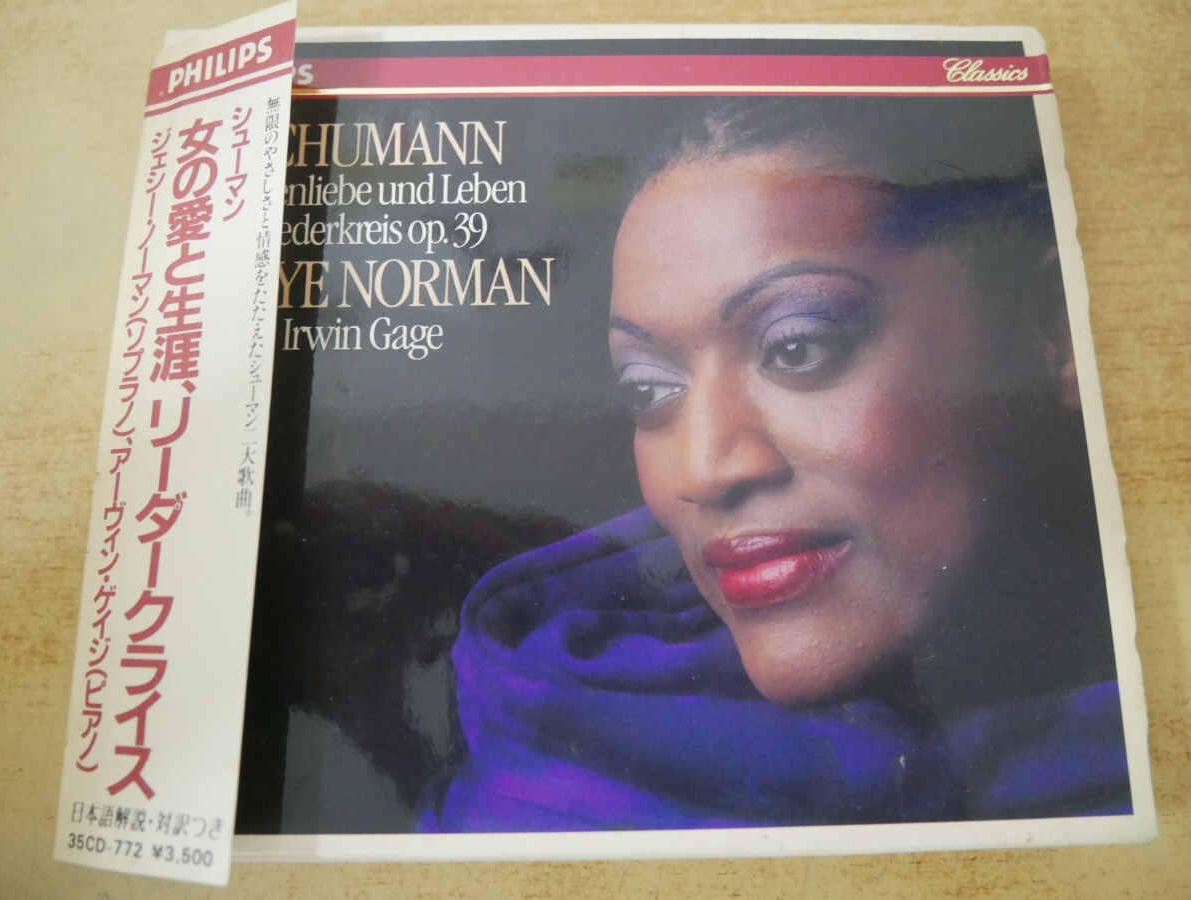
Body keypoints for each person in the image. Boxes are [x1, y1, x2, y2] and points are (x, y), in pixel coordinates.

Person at [420, 98, 1131, 832]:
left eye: (797, 346)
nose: (703, 470)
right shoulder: (537, 786)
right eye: (649, 390)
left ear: (1055, 329)